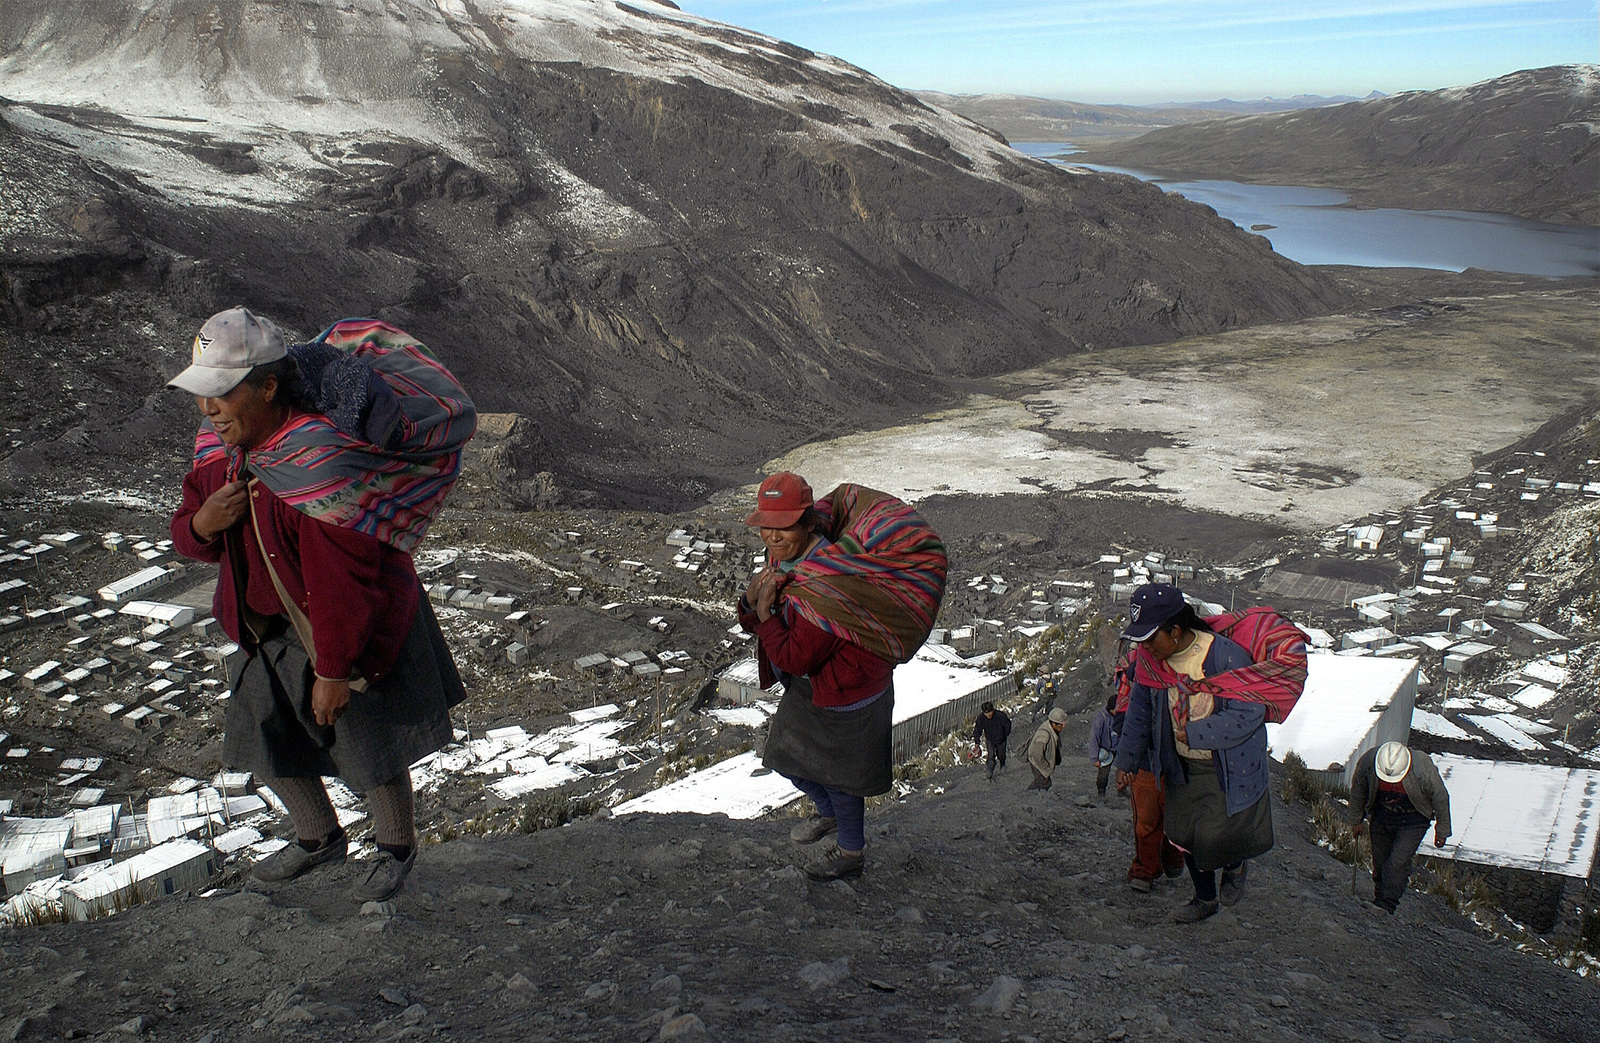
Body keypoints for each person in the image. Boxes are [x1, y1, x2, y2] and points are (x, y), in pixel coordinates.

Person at [169, 308, 471, 902]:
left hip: (342, 627)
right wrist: (203, 524)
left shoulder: (320, 464)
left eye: (223, 394)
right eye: (203, 394)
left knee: (365, 738)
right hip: (271, 625)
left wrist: (334, 671)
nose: (209, 409)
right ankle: (318, 837)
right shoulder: (220, 452)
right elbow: (187, 530)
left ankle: (394, 848)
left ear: (267, 386)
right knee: (262, 731)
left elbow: (345, 582)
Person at [740, 472, 946, 882]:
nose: (773, 536)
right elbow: (768, 622)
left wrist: (762, 615)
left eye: (783, 526)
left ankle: (851, 852)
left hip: (850, 692)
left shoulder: (830, 584)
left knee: (841, 778)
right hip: (816, 687)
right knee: (787, 758)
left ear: (807, 522)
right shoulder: (785, 561)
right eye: (766, 525)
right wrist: (751, 604)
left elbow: (796, 655)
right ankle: (830, 816)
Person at [1115, 583, 1273, 923]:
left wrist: (1198, 733)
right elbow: (1139, 711)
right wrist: (1126, 761)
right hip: (1179, 763)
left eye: (1150, 638)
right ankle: (1204, 899)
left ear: (1175, 630)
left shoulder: (1223, 657)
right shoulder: (1150, 663)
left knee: (1214, 836)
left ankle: (1233, 863)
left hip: (1222, 765)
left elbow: (1250, 712)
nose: (1144, 647)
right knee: (1183, 834)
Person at [1349, 741, 1452, 914]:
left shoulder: (1422, 769)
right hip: (1382, 815)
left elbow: (1440, 797)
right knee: (1381, 861)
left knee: (1397, 862)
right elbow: (1359, 789)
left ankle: (1388, 904)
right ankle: (1379, 897)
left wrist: (1442, 830)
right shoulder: (1369, 762)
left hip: (1413, 820)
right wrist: (1355, 820)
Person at [1027, 708, 1069, 790]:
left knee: (1041, 781)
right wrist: (1046, 767)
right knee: (1044, 782)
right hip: (1037, 761)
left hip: (1041, 759)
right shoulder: (1044, 735)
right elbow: (1037, 754)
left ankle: (1029, 793)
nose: (1063, 727)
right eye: (1061, 724)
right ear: (1054, 724)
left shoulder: (1052, 728)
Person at [972, 701, 1012, 781]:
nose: (988, 715)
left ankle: (1002, 764)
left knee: (1001, 754)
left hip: (1001, 739)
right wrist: (977, 742)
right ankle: (989, 771)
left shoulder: (1000, 716)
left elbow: (1008, 725)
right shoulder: (981, 718)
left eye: (990, 712)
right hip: (990, 739)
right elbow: (977, 730)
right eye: (986, 713)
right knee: (990, 755)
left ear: (993, 710)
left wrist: (1004, 735)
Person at [1088, 692, 1118, 798]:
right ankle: (1101, 792)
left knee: (1123, 770)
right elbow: (1094, 737)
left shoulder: (1121, 715)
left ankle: (1122, 789)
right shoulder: (1101, 718)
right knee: (1103, 774)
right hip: (1105, 751)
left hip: (1118, 747)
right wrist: (1094, 758)